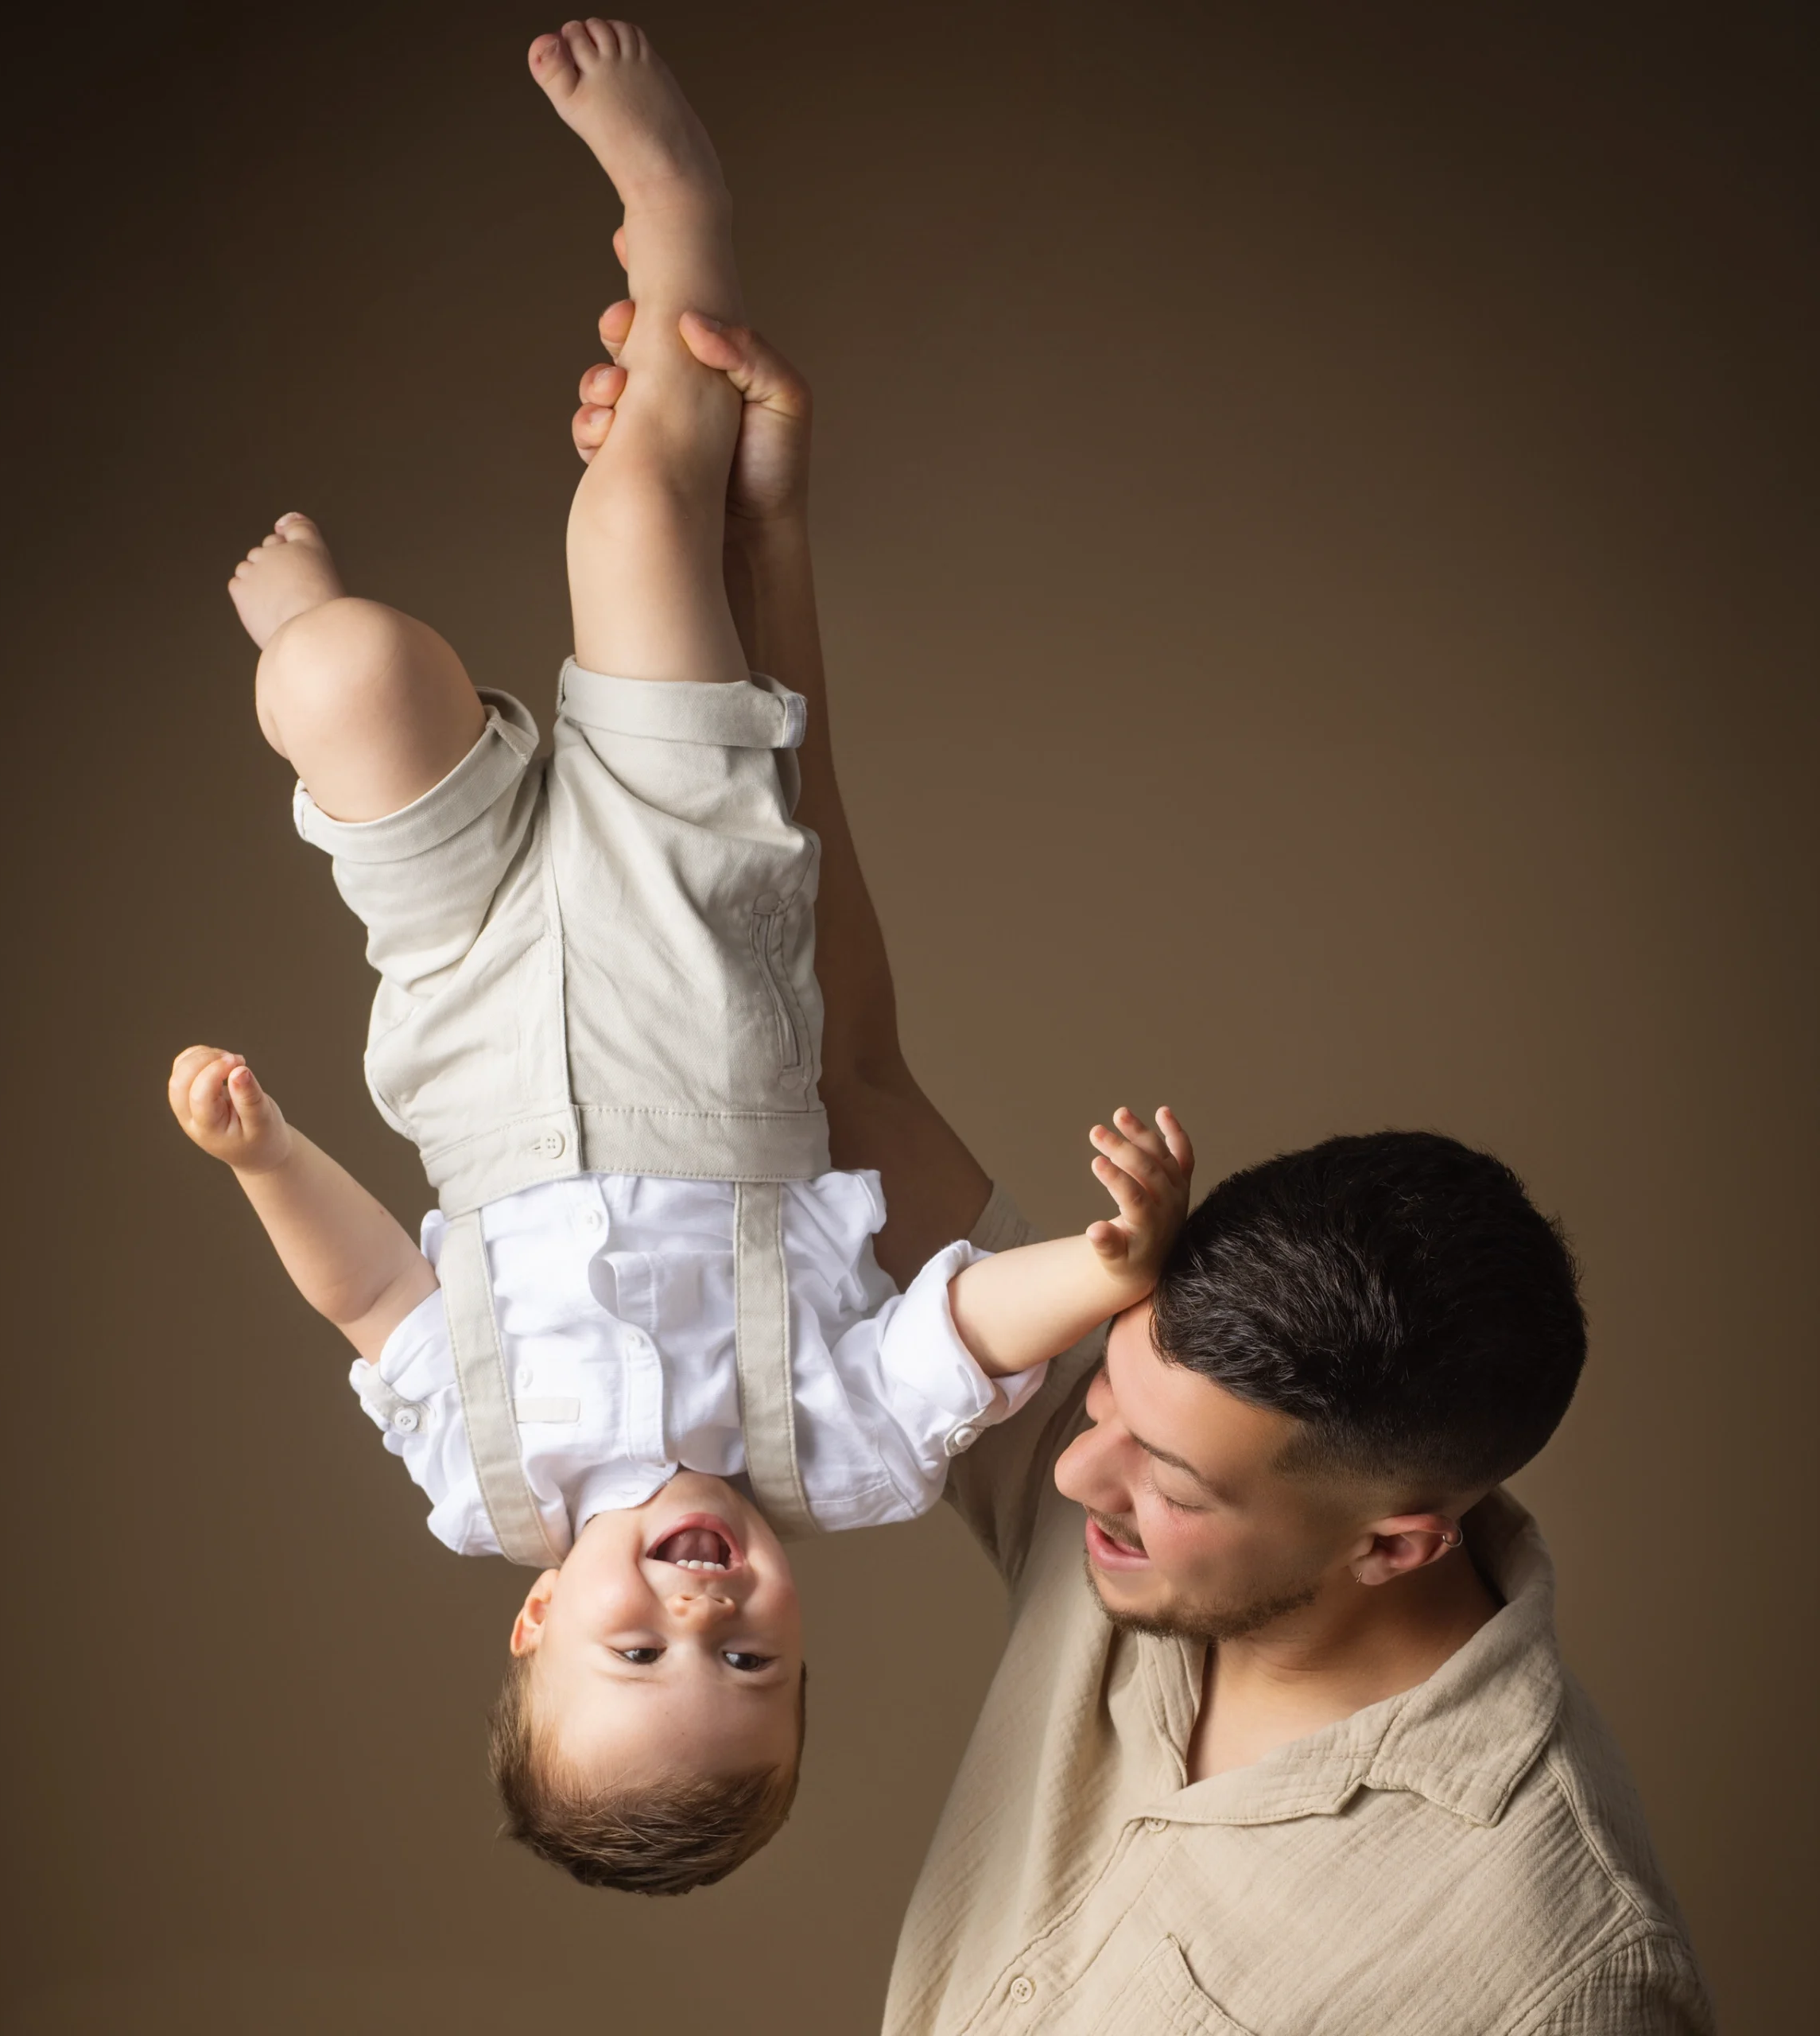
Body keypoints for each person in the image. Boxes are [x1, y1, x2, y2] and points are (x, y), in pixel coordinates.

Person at [571, 330, 1714, 2029]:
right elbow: (842, 1061)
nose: (1069, 1458)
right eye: (1103, 1385)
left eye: (1155, 1468)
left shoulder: (1537, 1963)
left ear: (1397, 1540)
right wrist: (757, 547)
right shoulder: (1134, 1481)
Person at [165, 21, 1191, 1898]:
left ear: (532, 1610)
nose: (700, 1611)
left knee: (338, 681)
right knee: (635, 516)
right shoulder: (842, 1454)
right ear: (803, 1648)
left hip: (466, 990)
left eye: (636, 1648)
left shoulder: (478, 1478)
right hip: (692, 955)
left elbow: (374, 1300)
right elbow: (964, 1325)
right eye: (752, 1661)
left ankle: (312, 645)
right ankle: (680, 218)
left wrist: (264, 1162)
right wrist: (1106, 1262)